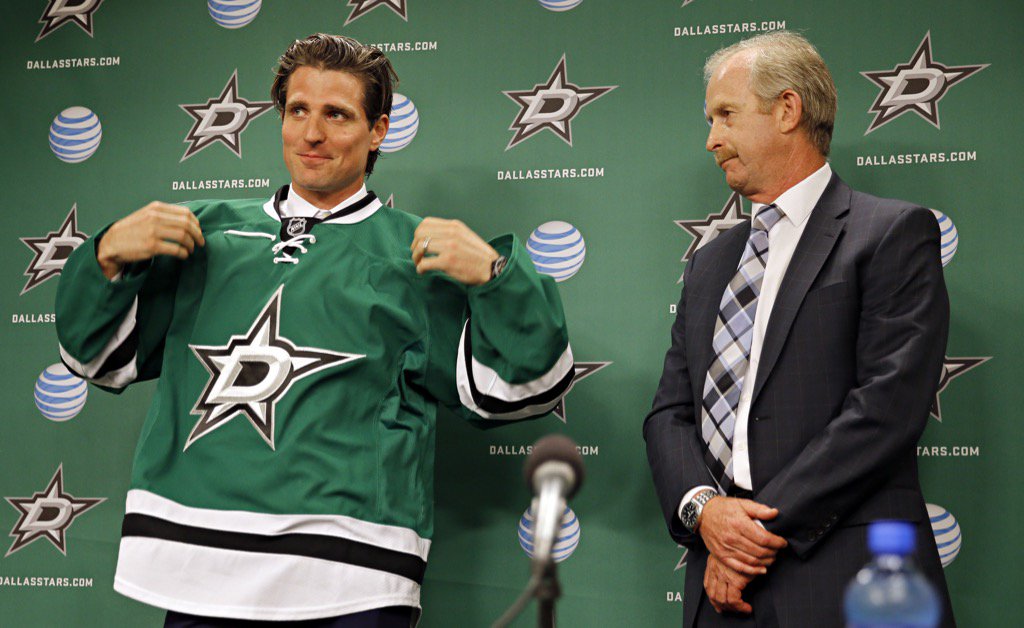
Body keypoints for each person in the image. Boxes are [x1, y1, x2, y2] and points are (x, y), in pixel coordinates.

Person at [56, 33, 574, 627]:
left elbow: (530, 385)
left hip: (349, 576)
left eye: (337, 114)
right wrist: (105, 259)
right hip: (199, 564)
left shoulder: (416, 252)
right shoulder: (205, 233)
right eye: (298, 110)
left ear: (378, 130)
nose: (312, 133)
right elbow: (94, 357)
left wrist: (495, 276)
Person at [643, 31, 955, 627]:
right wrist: (706, 513)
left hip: (847, 582)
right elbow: (669, 414)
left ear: (787, 110)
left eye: (726, 115)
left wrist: (749, 534)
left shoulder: (890, 233)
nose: (711, 139)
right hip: (720, 594)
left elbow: (885, 408)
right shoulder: (709, 262)